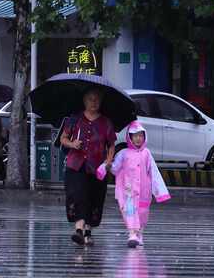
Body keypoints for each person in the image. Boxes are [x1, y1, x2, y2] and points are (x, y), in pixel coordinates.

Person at [60, 88, 116, 246]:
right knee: (78, 195)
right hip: (76, 165)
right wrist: (72, 143)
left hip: (97, 167)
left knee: (94, 198)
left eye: (97, 99)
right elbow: (63, 139)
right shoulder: (75, 119)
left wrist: (109, 160)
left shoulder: (106, 122)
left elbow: (111, 144)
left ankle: (87, 232)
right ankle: (78, 230)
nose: (94, 102)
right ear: (84, 100)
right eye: (91, 99)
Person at [109, 120, 171, 248]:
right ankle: (132, 234)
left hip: (144, 191)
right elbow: (115, 169)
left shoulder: (146, 153)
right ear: (130, 137)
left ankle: (140, 233)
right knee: (130, 212)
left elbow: (153, 172)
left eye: (140, 136)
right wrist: (109, 165)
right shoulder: (123, 154)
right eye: (135, 136)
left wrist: (160, 192)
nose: (138, 139)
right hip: (129, 191)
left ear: (144, 137)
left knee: (142, 213)